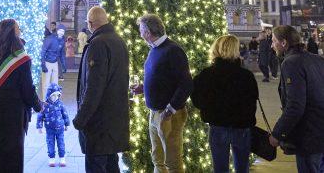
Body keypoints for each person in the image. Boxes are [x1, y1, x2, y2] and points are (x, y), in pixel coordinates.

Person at [132, 13, 193, 173]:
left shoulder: (173, 50)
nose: (140, 34)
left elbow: (186, 84)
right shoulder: (154, 49)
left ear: (147, 32)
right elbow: (162, 78)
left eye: (141, 30)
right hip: (155, 113)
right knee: (157, 160)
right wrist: (144, 88)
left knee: (172, 163)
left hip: (169, 115)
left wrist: (170, 109)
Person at [0, 19, 42, 172]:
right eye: (18, 28)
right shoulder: (21, 59)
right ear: (13, 33)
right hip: (12, 118)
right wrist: (38, 105)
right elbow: (28, 90)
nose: (20, 30)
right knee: (11, 160)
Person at [73, 6, 129, 173]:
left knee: (97, 166)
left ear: (90, 23)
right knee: (111, 165)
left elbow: (94, 87)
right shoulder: (119, 41)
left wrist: (80, 119)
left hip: (98, 124)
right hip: (114, 121)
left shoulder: (97, 44)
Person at [191, 35, 258, 173]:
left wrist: (208, 110)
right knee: (242, 168)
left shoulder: (207, 74)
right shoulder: (246, 76)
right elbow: (252, 102)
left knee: (220, 168)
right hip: (241, 127)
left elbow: (196, 98)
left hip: (218, 126)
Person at [269, 25, 324, 173]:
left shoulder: (291, 63)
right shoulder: (317, 59)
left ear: (284, 43)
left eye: (274, 41)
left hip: (309, 136)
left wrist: (277, 134)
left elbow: (295, 106)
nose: (272, 45)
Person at [37, 83, 70, 167]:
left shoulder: (60, 104)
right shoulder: (45, 105)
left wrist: (67, 124)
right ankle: (51, 158)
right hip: (49, 129)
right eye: (53, 95)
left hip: (60, 128)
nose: (55, 97)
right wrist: (39, 127)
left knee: (61, 143)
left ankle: (62, 158)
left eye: (57, 95)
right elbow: (40, 116)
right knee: (50, 143)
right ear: (49, 95)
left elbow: (65, 114)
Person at [41, 23, 66, 98]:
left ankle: (54, 100)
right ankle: (45, 100)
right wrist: (43, 64)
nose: (61, 32)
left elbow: (61, 54)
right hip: (47, 62)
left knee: (55, 84)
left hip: (55, 62)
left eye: (63, 31)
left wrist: (64, 65)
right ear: (57, 30)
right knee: (46, 83)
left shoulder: (62, 40)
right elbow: (43, 51)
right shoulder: (50, 39)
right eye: (60, 30)